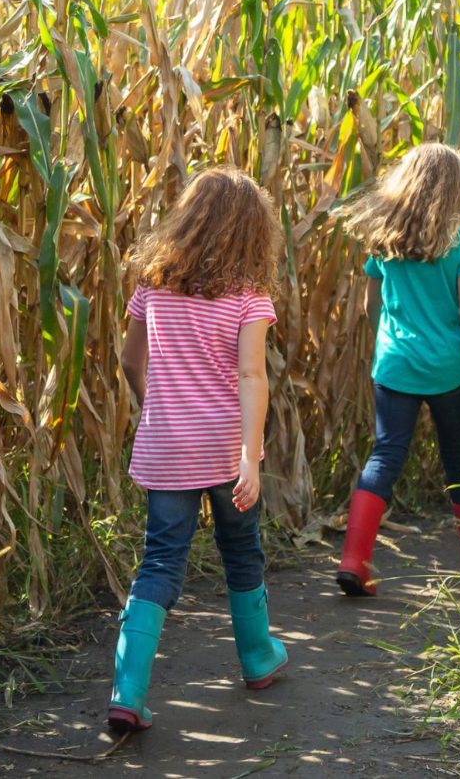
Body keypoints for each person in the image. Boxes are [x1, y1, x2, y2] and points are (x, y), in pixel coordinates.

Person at [108, 167, 287, 734]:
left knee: (160, 561)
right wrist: (248, 456)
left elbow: (129, 359)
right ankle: (258, 659)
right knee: (242, 548)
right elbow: (252, 377)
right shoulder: (248, 297)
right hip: (223, 448)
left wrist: (154, 406)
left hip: (167, 446)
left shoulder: (152, 286)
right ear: (252, 231)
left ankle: (127, 692)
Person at [336, 143, 460, 597]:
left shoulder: (383, 240)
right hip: (449, 368)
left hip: (395, 365)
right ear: (456, 191)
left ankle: (354, 560)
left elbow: (371, 304)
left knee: (385, 454)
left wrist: (389, 340)